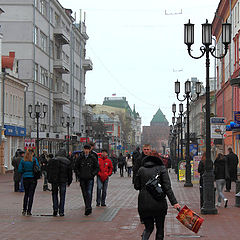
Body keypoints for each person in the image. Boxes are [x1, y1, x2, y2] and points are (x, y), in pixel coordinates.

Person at [134, 154, 180, 240]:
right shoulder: (162, 169)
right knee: (160, 228)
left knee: (148, 228)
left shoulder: (141, 169)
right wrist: (174, 202)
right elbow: (167, 188)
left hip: (144, 204)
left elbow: (136, 186)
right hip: (159, 203)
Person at [74, 144, 99, 216]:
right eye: (85, 149)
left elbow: (97, 167)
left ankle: (88, 207)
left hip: (90, 178)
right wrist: (79, 174)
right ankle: (87, 206)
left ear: (89, 150)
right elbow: (76, 167)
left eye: (87, 149)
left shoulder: (92, 157)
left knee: (89, 192)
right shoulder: (80, 157)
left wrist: (92, 174)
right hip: (82, 178)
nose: (86, 151)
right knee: (84, 193)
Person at [47, 148, 72, 216]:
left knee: (54, 194)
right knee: (62, 195)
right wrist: (69, 181)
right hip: (63, 180)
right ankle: (61, 211)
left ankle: (55, 208)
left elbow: (48, 170)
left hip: (54, 180)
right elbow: (69, 173)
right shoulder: (67, 161)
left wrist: (49, 179)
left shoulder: (52, 160)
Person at [18, 148, 40, 216]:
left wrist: (25, 171)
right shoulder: (34, 160)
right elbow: (38, 168)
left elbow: (19, 170)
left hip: (25, 178)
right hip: (33, 178)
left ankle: (24, 209)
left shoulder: (23, 160)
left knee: (26, 194)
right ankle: (29, 211)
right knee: (31, 195)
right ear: (32, 153)